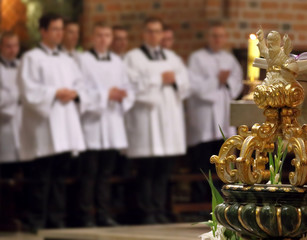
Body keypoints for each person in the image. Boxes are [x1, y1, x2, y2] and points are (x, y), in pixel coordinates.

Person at [18, 13, 89, 231]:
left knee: (60, 178)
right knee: (41, 178)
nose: (60, 34)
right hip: (44, 125)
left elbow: (82, 85)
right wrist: (54, 93)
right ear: (43, 31)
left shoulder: (68, 59)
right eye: (55, 29)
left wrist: (75, 94)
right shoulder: (31, 58)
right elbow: (27, 89)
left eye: (62, 29)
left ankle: (56, 219)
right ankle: (37, 219)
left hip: (65, 124)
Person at [124, 17, 189, 224]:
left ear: (162, 34)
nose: (154, 35)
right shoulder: (133, 58)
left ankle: (160, 208)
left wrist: (176, 80)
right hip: (147, 119)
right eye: (150, 31)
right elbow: (130, 85)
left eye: (158, 31)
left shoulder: (172, 57)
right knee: (146, 169)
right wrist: (158, 79)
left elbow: (186, 85)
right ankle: (146, 211)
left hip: (168, 119)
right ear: (144, 34)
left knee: (163, 169)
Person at [76, 22, 135, 227]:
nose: (103, 39)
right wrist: (105, 95)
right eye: (99, 35)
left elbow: (128, 88)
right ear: (93, 37)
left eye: (107, 35)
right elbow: (79, 91)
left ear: (111, 38)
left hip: (112, 124)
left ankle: (103, 213)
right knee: (89, 174)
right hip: (91, 124)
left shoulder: (118, 62)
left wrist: (123, 96)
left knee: (106, 174)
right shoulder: (82, 60)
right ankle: (86, 216)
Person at [186, 22, 243, 202]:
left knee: (222, 161)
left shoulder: (229, 59)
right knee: (202, 163)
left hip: (223, 117)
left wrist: (226, 83)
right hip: (204, 118)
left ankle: (220, 198)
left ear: (225, 39)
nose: (217, 39)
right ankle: (200, 200)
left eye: (221, 36)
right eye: (214, 36)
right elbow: (194, 86)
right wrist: (216, 80)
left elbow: (236, 84)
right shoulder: (197, 58)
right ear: (208, 37)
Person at [0, 31, 21, 179]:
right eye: (8, 46)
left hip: (23, 123)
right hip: (4, 124)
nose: (12, 50)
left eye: (15, 46)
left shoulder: (24, 65)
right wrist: (17, 94)